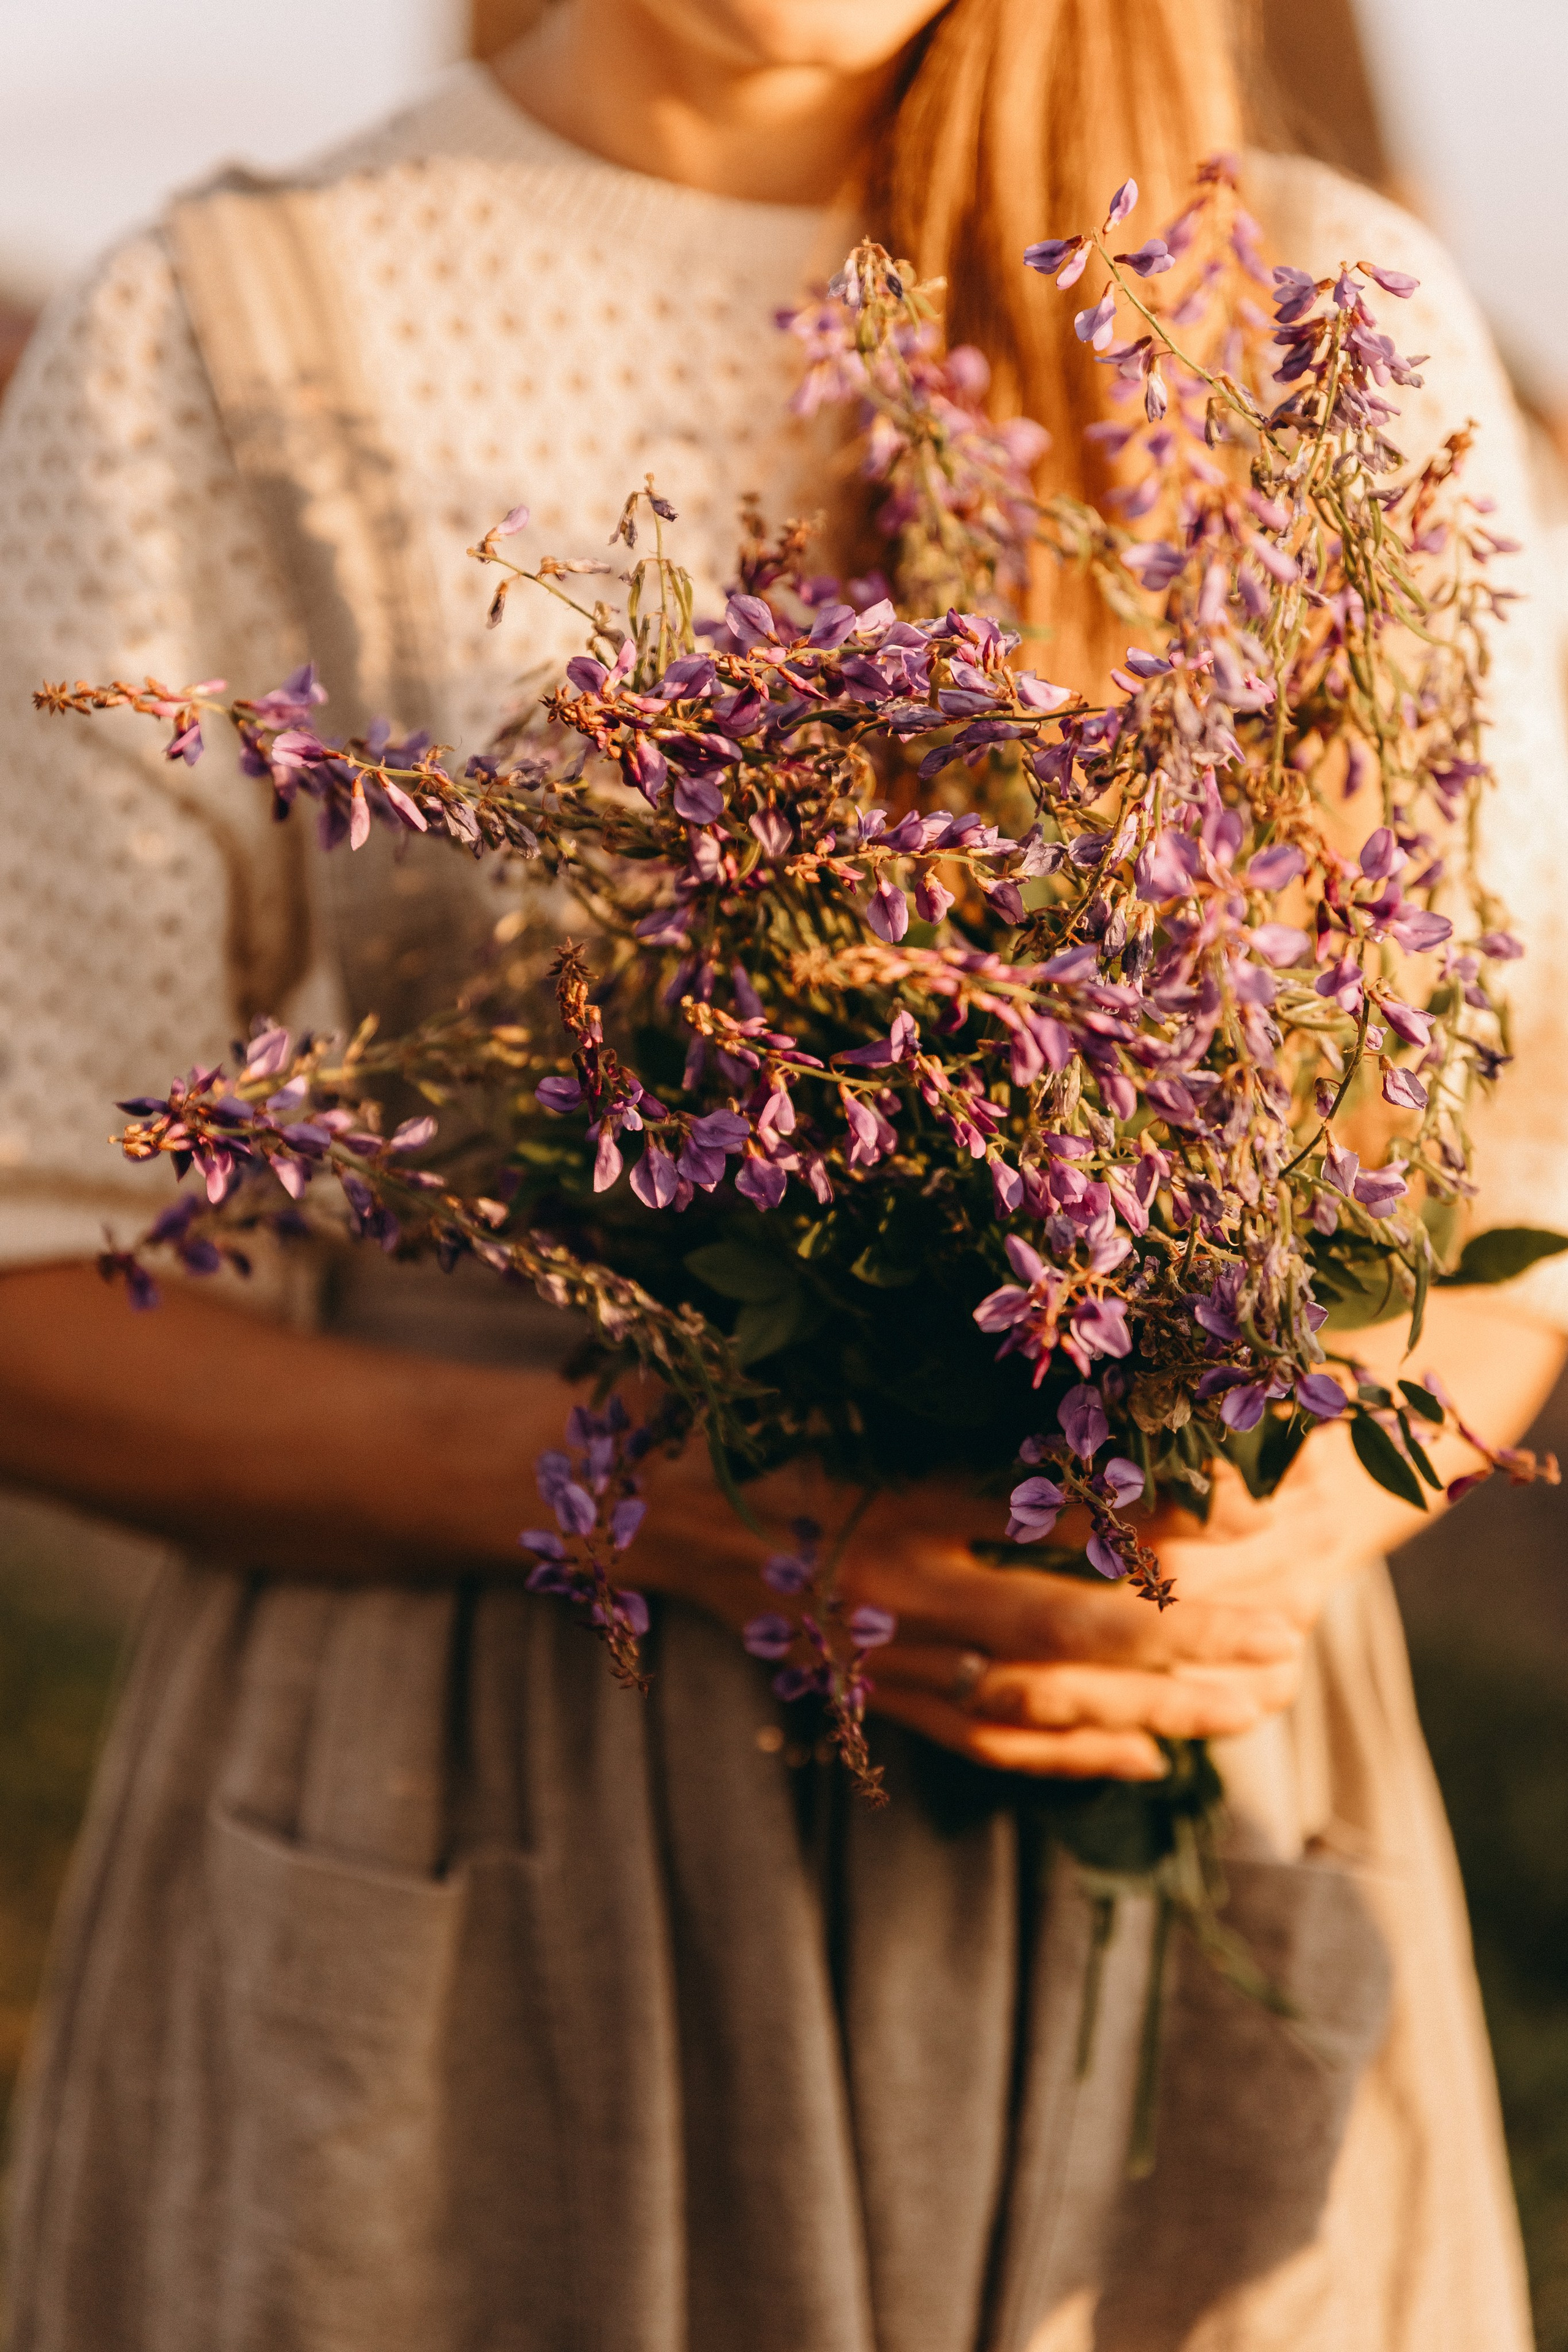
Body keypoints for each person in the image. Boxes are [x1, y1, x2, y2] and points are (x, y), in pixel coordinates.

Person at [1, 2, 1566, 2345]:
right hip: (486, 1830)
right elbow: (31, 1275)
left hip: (1156, 1809)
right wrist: (689, 1507)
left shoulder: (1309, 303)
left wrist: (1289, 1507)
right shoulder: (220, 332)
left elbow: (1517, 1129)